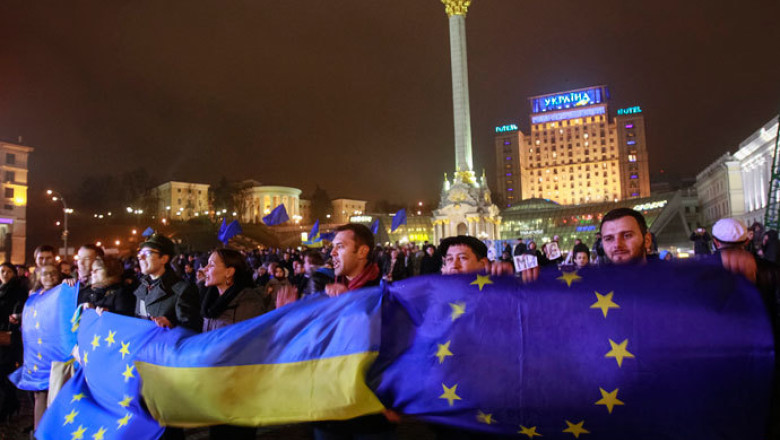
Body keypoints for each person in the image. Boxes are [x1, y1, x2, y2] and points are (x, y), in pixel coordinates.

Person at [315, 223, 395, 440]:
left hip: (371, 413)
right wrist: (290, 316)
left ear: (362, 251)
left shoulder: (386, 295)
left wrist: (350, 305)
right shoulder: (323, 294)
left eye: (339, 246)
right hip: (329, 410)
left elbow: (393, 348)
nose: (331, 253)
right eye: (332, 247)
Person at [200, 249, 267, 440]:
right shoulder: (211, 300)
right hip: (216, 384)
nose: (205, 269)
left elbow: (250, 345)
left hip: (239, 388)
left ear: (229, 272)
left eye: (211, 264)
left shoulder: (249, 302)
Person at [133, 234, 201, 332]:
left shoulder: (182, 290)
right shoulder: (142, 287)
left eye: (147, 253)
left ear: (164, 259)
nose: (140, 257)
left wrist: (172, 325)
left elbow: (191, 330)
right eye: (140, 253)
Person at [27, 264, 61, 431]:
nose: (50, 277)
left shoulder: (64, 292)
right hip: (38, 353)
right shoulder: (33, 297)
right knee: (40, 393)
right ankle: (39, 432)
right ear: (38, 278)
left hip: (56, 353)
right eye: (45, 274)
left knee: (56, 393)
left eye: (53, 273)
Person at [0, 262, 25, 422]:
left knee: (5, 372)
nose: (5, 274)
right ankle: (9, 404)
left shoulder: (18, 290)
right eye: (2, 271)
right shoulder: (1, 289)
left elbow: (19, 309)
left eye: (8, 271)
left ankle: (7, 406)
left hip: (9, 335)